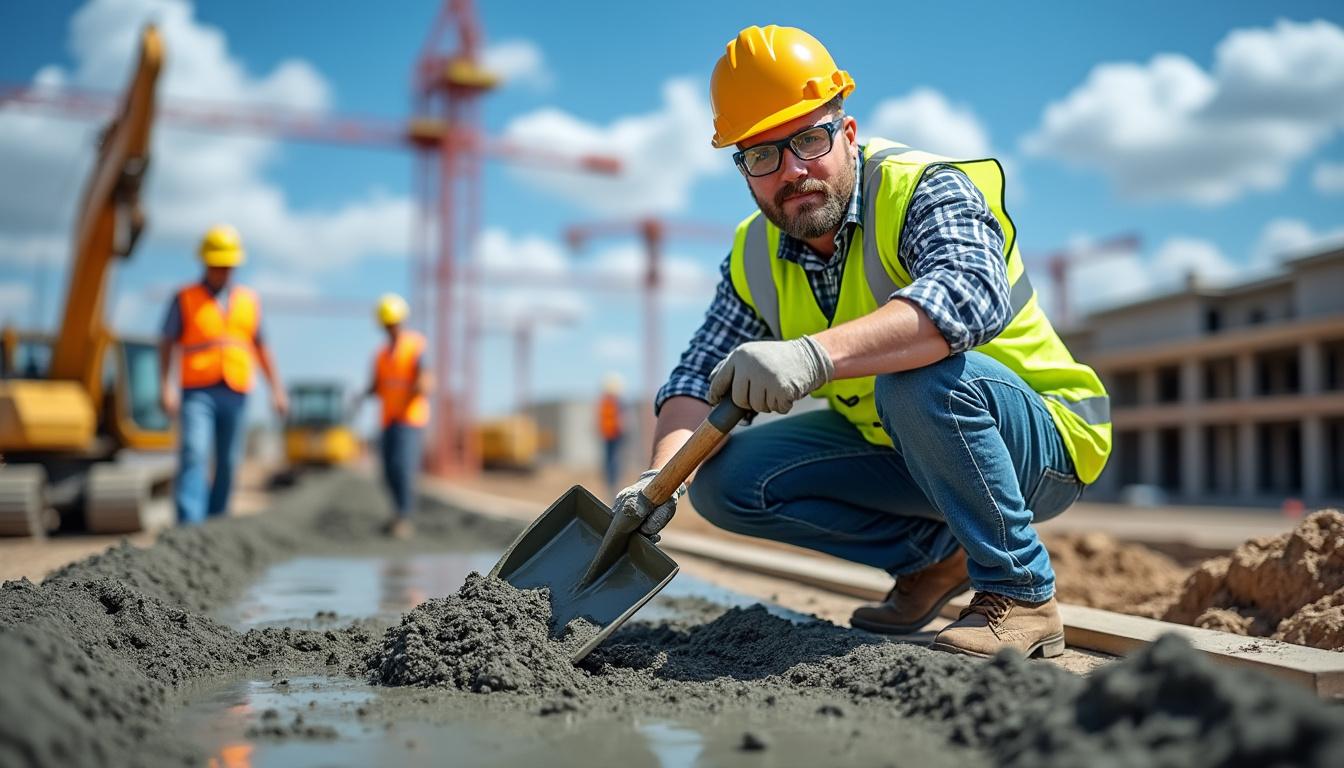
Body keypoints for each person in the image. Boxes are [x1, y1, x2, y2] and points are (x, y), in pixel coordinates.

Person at [610, 25, 1112, 659]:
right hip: (909, 446)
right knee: (725, 481)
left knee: (917, 373)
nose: (791, 170)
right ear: (743, 171)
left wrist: (812, 355)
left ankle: (1021, 592)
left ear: (846, 134)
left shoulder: (923, 188)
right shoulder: (754, 254)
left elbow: (967, 294)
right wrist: (662, 479)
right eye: (762, 155)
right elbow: (694, 378)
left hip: (1040, 441)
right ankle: (940, 559)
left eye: (809, 139)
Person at [160, 225, 287, 525]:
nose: (223, 271)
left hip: (236, 391)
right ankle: (189, 527)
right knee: (194, 452)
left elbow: (262, 348)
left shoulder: (248, 301)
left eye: (228, 266)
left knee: (229, 461)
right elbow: (166, 342)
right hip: (197, 391)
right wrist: (166, 386)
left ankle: (216, 524)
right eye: (217, 265)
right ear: (205, 263)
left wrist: (277, 390)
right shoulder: (185, 298)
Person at [354, 294, 430, 539]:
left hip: (410, 419)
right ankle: (396, 513)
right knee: (387, 470)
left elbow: (425, 374)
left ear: (402, 321)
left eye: (395, 323)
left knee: (402, 467)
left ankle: (404, 518)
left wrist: (422, 385)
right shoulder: (381, 355)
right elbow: (376, 385)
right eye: (388, 324)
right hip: (388, 419)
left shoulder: (415, 345)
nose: (392, 328)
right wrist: (361, 396)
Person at [596, 373, 626, 500]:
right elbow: (620, 420)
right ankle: (612, 484)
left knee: (611, 461)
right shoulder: (612, 402)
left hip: (610, 434)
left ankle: (612, 484)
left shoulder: (606, 402)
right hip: (612, 434)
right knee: (612, 462)